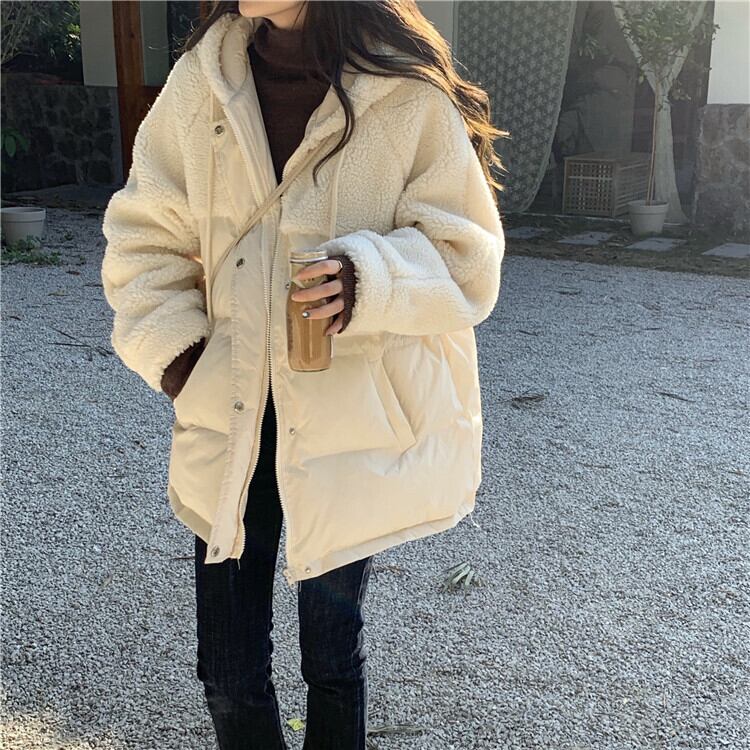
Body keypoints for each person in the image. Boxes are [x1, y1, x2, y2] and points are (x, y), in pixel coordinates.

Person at [100, 1, 505, 748]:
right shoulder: (203, 80)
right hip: (229, 410)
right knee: (226, 670)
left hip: (348, 416)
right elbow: (144, 231)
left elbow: (466, 254)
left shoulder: (403, 90)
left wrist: (368, 277)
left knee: (332, 661)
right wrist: (180, 359)